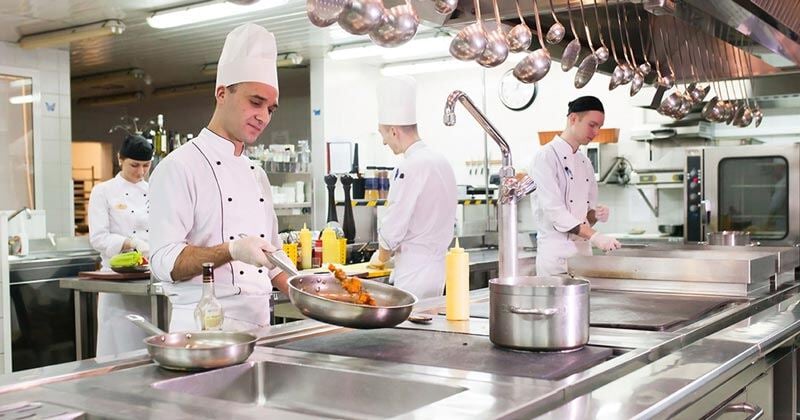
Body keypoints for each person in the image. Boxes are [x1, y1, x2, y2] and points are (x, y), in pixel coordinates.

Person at [148, 23, 292, 332]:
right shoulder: (180, 166)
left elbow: (272, 261)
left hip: (260, 328)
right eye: (256, 102)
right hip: (203, 331)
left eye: (271, 109)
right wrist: (231, 251)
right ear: (222, 93)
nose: (264, 116)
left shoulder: (257, 175)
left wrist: (316, 292)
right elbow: (163, 263)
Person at [367, 75, 458, 300]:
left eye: (383, 134)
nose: (384, 142)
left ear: (394, 131)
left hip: (412, 273)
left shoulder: (409, 166)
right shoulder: (441, 161)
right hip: (437, 272)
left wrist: (380, 256)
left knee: (409, 331)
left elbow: (395, 222)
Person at [530, 96, 621, 277]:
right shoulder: (545, 158)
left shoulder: (584, 161)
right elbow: (556, 213)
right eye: (592, 125)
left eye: (599, 127)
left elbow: (586, 217)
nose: (596, 132)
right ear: (573, 119)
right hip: (556, 260)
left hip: (582, 258)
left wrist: (595, 215)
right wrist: (595, 236)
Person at [88, 134, 153, 356]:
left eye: (146, 165)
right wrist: (130, 243)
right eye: (134, 165)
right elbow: (98, 238)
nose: (141, 172)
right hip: (115, 282)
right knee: (118, 351)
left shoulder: (154, 190)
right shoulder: (103, 191)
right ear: (120, 159)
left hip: (148, 279)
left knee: (149, 348)